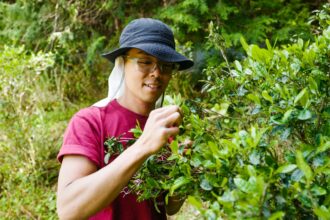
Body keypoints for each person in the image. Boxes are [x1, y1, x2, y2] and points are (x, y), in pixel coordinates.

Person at [56, 18, 194, 219]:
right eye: (145, 62)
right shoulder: (90, 121)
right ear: (122, 63)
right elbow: (69, 210)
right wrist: (143, 147)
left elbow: (168, 207)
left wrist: (185, 170)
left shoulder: (166, 126)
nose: (156, 73)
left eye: (166, 65)